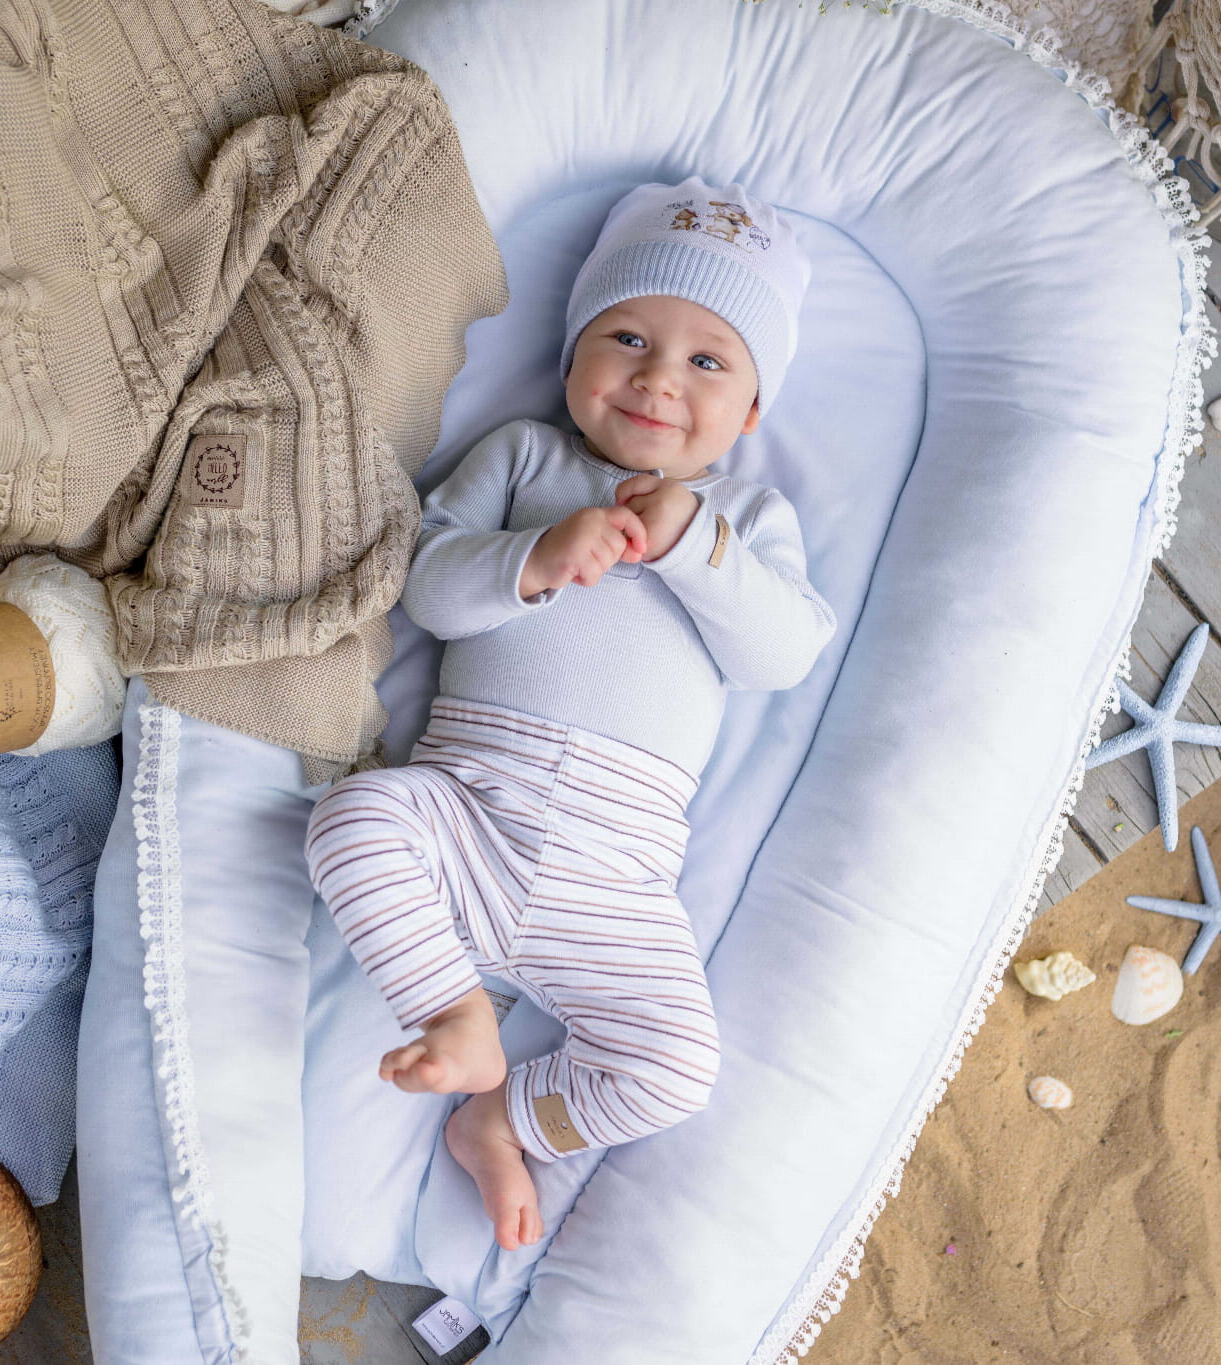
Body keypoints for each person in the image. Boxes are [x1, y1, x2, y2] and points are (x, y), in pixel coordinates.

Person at [304, 176, 836, 1251]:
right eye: (627, 337)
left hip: (613, 879)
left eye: (708, 361)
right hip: (465, 812)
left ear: (750, 412)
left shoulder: (746, 520)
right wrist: (532, 559)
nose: (657, 377)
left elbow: (781, 654)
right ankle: (453, 1010)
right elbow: (427, 588)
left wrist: (694, 545)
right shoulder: (525, 459)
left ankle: (503, 1121)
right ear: (569, 357)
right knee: (349, 821)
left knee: (677, 1067)